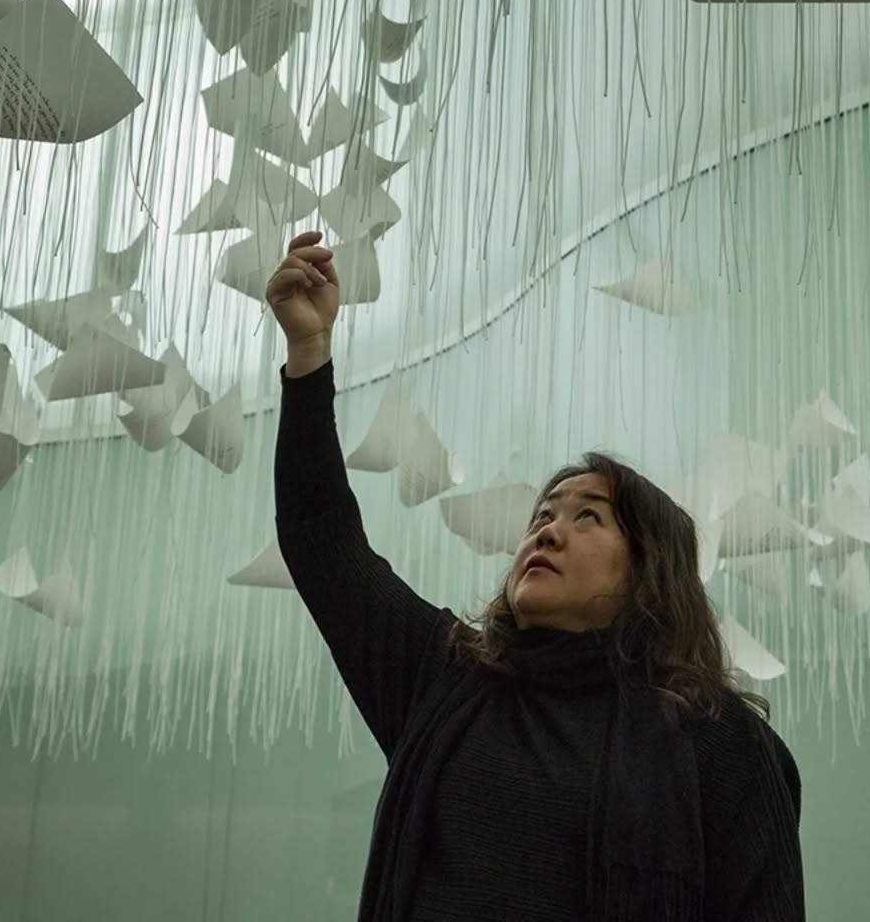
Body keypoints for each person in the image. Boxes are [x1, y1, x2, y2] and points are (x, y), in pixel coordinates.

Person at [269, 230, 806, 922]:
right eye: (544, 515)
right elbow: (322, 542)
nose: (548, 529)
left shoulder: (724, 747)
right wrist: (309, 356)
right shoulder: (444, 680)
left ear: (651, 571)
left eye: (590, 518)